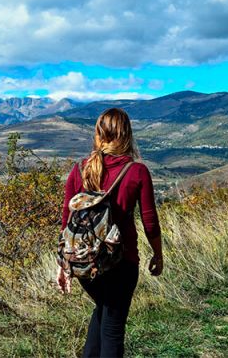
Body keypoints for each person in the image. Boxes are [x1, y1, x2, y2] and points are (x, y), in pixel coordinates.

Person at [56, 107, 163, 358]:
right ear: (127, 134)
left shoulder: (80, 168)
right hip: (121, 262)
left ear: (98, 133)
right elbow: (150, 221)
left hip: (84, 262)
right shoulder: (136, 171)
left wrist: (63, 264)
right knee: (113, 331)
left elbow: (67, 219)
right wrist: (158, 255)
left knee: (103, 315)